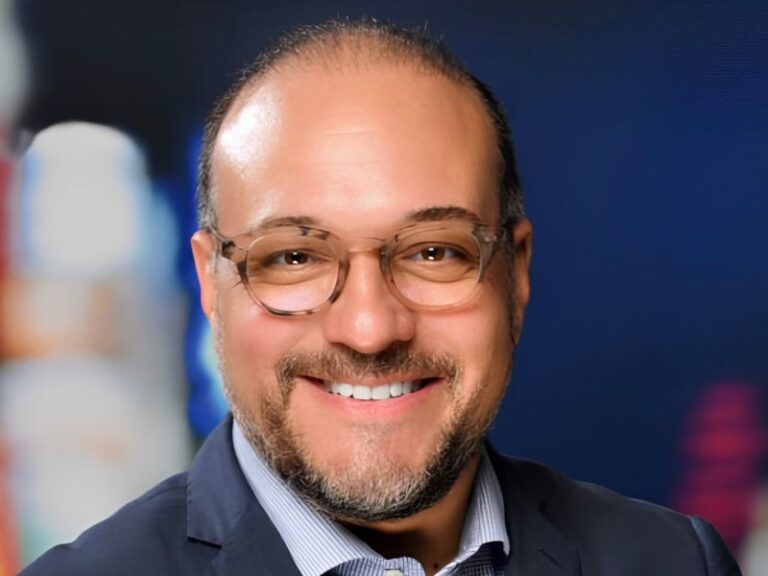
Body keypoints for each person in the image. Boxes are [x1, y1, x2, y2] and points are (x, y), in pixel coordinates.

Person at [22, 18, 741, 576]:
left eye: (433, 252)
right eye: (294, 257)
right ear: (212, 284)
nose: (369, 329)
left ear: (516, 271)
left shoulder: (676, 561)